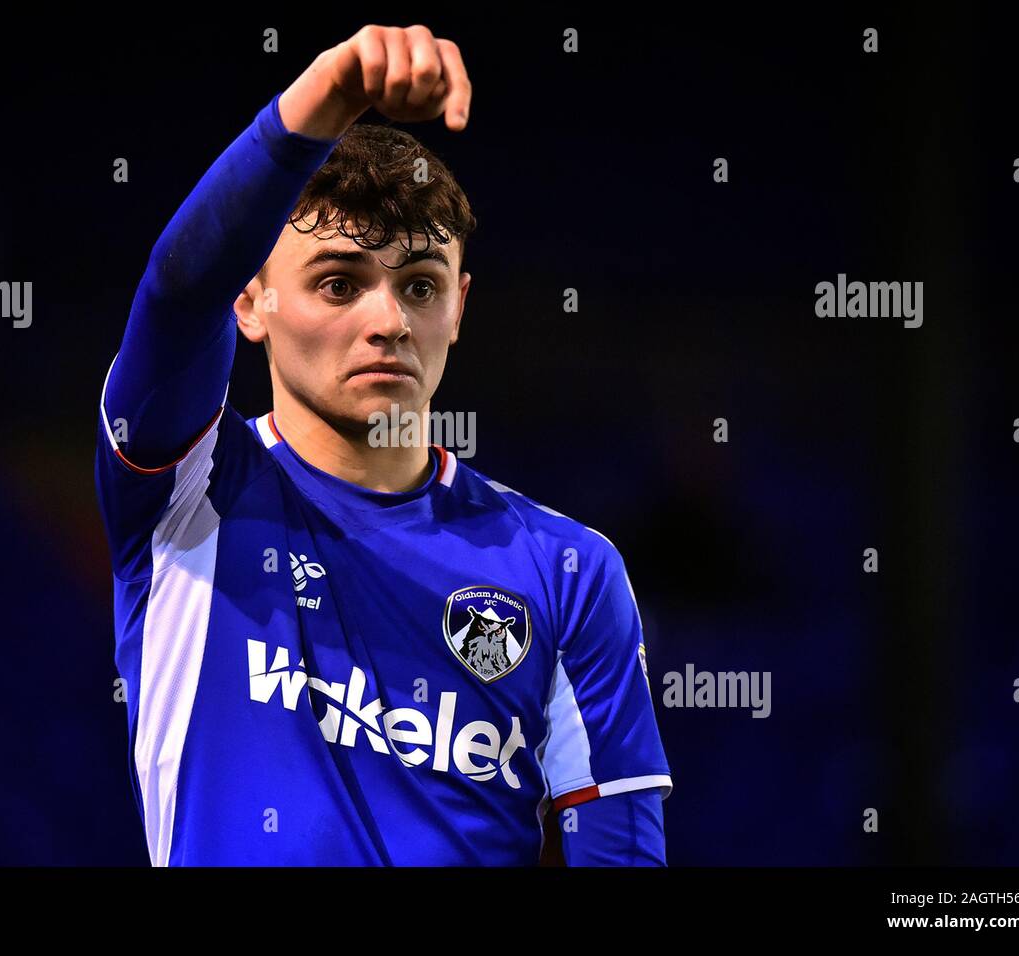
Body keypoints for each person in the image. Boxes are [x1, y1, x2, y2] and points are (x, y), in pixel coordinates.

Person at [95, 24, 672, 865]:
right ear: (249, 303)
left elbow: (620, 858)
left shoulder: (570, 571)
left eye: (420, 285)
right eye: (338, 282)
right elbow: (180, 290)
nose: (390, 321)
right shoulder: (188, 490)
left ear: (460, 305)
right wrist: (322, 97)